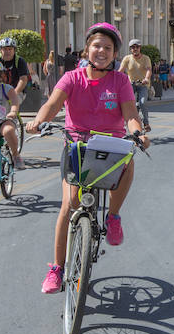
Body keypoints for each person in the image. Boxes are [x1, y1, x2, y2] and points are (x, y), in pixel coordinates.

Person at [26, 22, 149, 294]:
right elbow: (51, 104)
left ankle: (113, 217)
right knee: (69, 204)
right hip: (77, 146)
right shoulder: (72, 78)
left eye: (108, 47)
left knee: (128, 159)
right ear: (87, 49)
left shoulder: (120, 81)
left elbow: (130, 114)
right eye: (97, 46)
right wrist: (38, 121)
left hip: (110, 148)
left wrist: (138, 133)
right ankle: (56, 269)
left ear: (115, 53)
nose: (101, 51)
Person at [119, 38, 153, 132]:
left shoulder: (146, 58)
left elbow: (148, 70)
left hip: (143, 84)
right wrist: (116, 79)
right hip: (131, 84)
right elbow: (121, 70)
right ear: (130, 49)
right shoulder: (127, 58)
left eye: (137, 47)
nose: (135, 49)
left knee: (142, 102)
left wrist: (146, 79)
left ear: (140, 48)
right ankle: (128, 122)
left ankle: (146, 123)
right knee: (127, 104)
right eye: (133, 47)